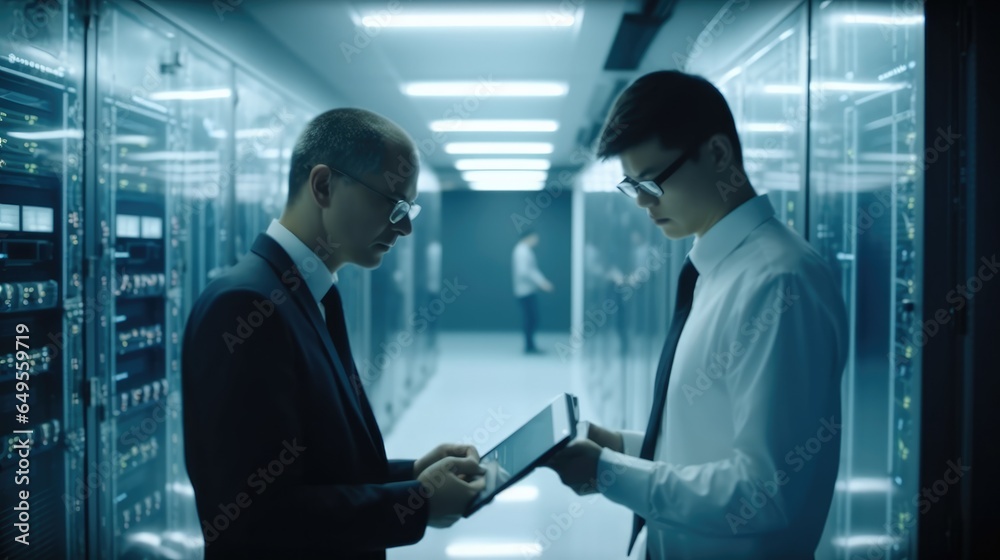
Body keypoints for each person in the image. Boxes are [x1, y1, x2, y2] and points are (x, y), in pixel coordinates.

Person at [547, 70, 849, 559]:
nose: (642, 201)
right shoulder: (715, 270)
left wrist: (605, 472)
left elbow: (764, 491)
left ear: (718, 154)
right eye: (632, 184)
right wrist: (622, 447)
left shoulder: (779, 284)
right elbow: (713, 446)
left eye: (652, 181)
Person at [181, 108, 485, 559]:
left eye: (410, 209)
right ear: (323, 186)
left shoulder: (306, 296)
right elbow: (255, 517)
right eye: (393, 204)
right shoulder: (247, 307)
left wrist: (412, 474)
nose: (405, 227)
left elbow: (313, 467)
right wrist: (414, 504)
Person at [511, 229, 554, 354]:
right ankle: (529, 346)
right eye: (535, 238)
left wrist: (541, 281)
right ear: (528, 237)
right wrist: (541, 283)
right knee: (531, 319)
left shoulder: (524, 250)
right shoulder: (521, 251)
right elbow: (525, 272)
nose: (537, 240)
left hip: (527, 290)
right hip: (525, 290)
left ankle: (530, 345)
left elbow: (531, 270)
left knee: (531, 318)